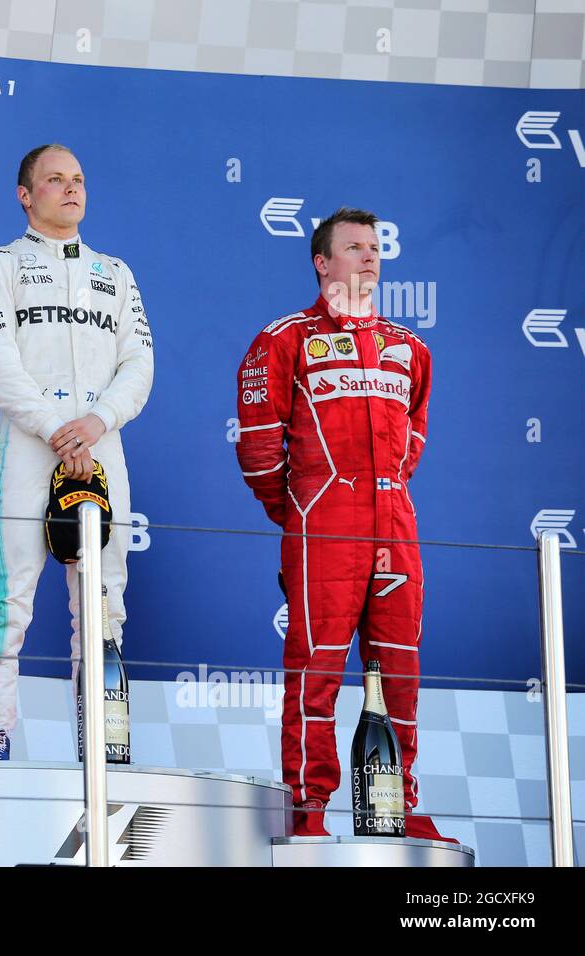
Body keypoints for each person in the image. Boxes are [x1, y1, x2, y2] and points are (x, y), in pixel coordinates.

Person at [234, 207, 451, 842]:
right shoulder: (285, 340)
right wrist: (306, 509)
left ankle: (397, 806)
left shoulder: (410, 348)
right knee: (316, 670)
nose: (370, 257)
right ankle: (307, 812)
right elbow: (257, 449)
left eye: (375, 247)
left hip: (396, 526)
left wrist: (381, 497)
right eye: (354, 247)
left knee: (400, 672)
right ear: (322, 262)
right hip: (324, 524)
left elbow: (414, 437)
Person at [0, 144, 153, 760]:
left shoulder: (115, 274)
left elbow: (139, 363)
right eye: (54, 180)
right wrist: (56, 429)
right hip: (27, 444)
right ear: (25, 194)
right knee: (8, 595)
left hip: (102, 445)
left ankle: (100, 742)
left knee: (103, 602)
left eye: (78, 179)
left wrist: (96, 422)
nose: (71, 189)